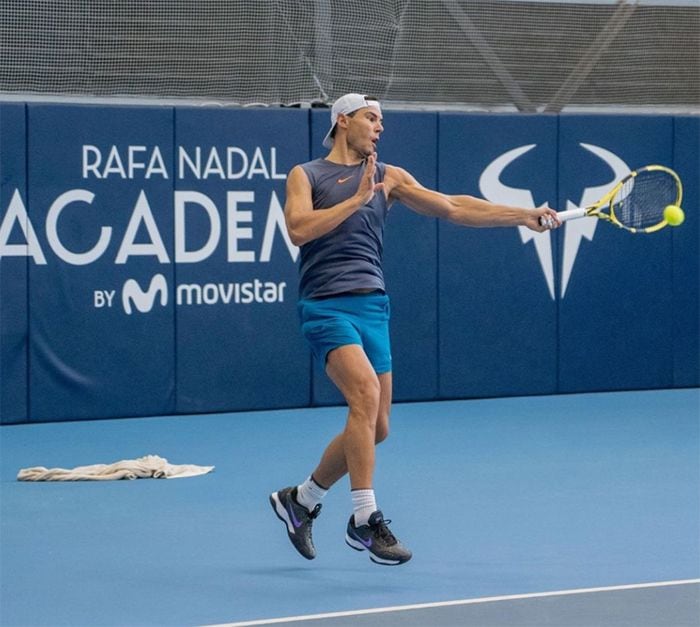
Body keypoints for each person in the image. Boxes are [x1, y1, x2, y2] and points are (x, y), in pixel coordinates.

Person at [270, 93, 560, 567]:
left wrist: (522, 216)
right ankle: (365, 519)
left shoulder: (391, 177)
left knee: (377, 426)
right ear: (342, 121)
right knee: (362, 396)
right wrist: (359, 198)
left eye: (382, 120)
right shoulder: (308, 175)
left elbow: (451, 206)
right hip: (325, 305)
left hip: (373, 306)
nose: (379, 127)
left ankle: (300, 501)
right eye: (371, 118)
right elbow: (299, 229)